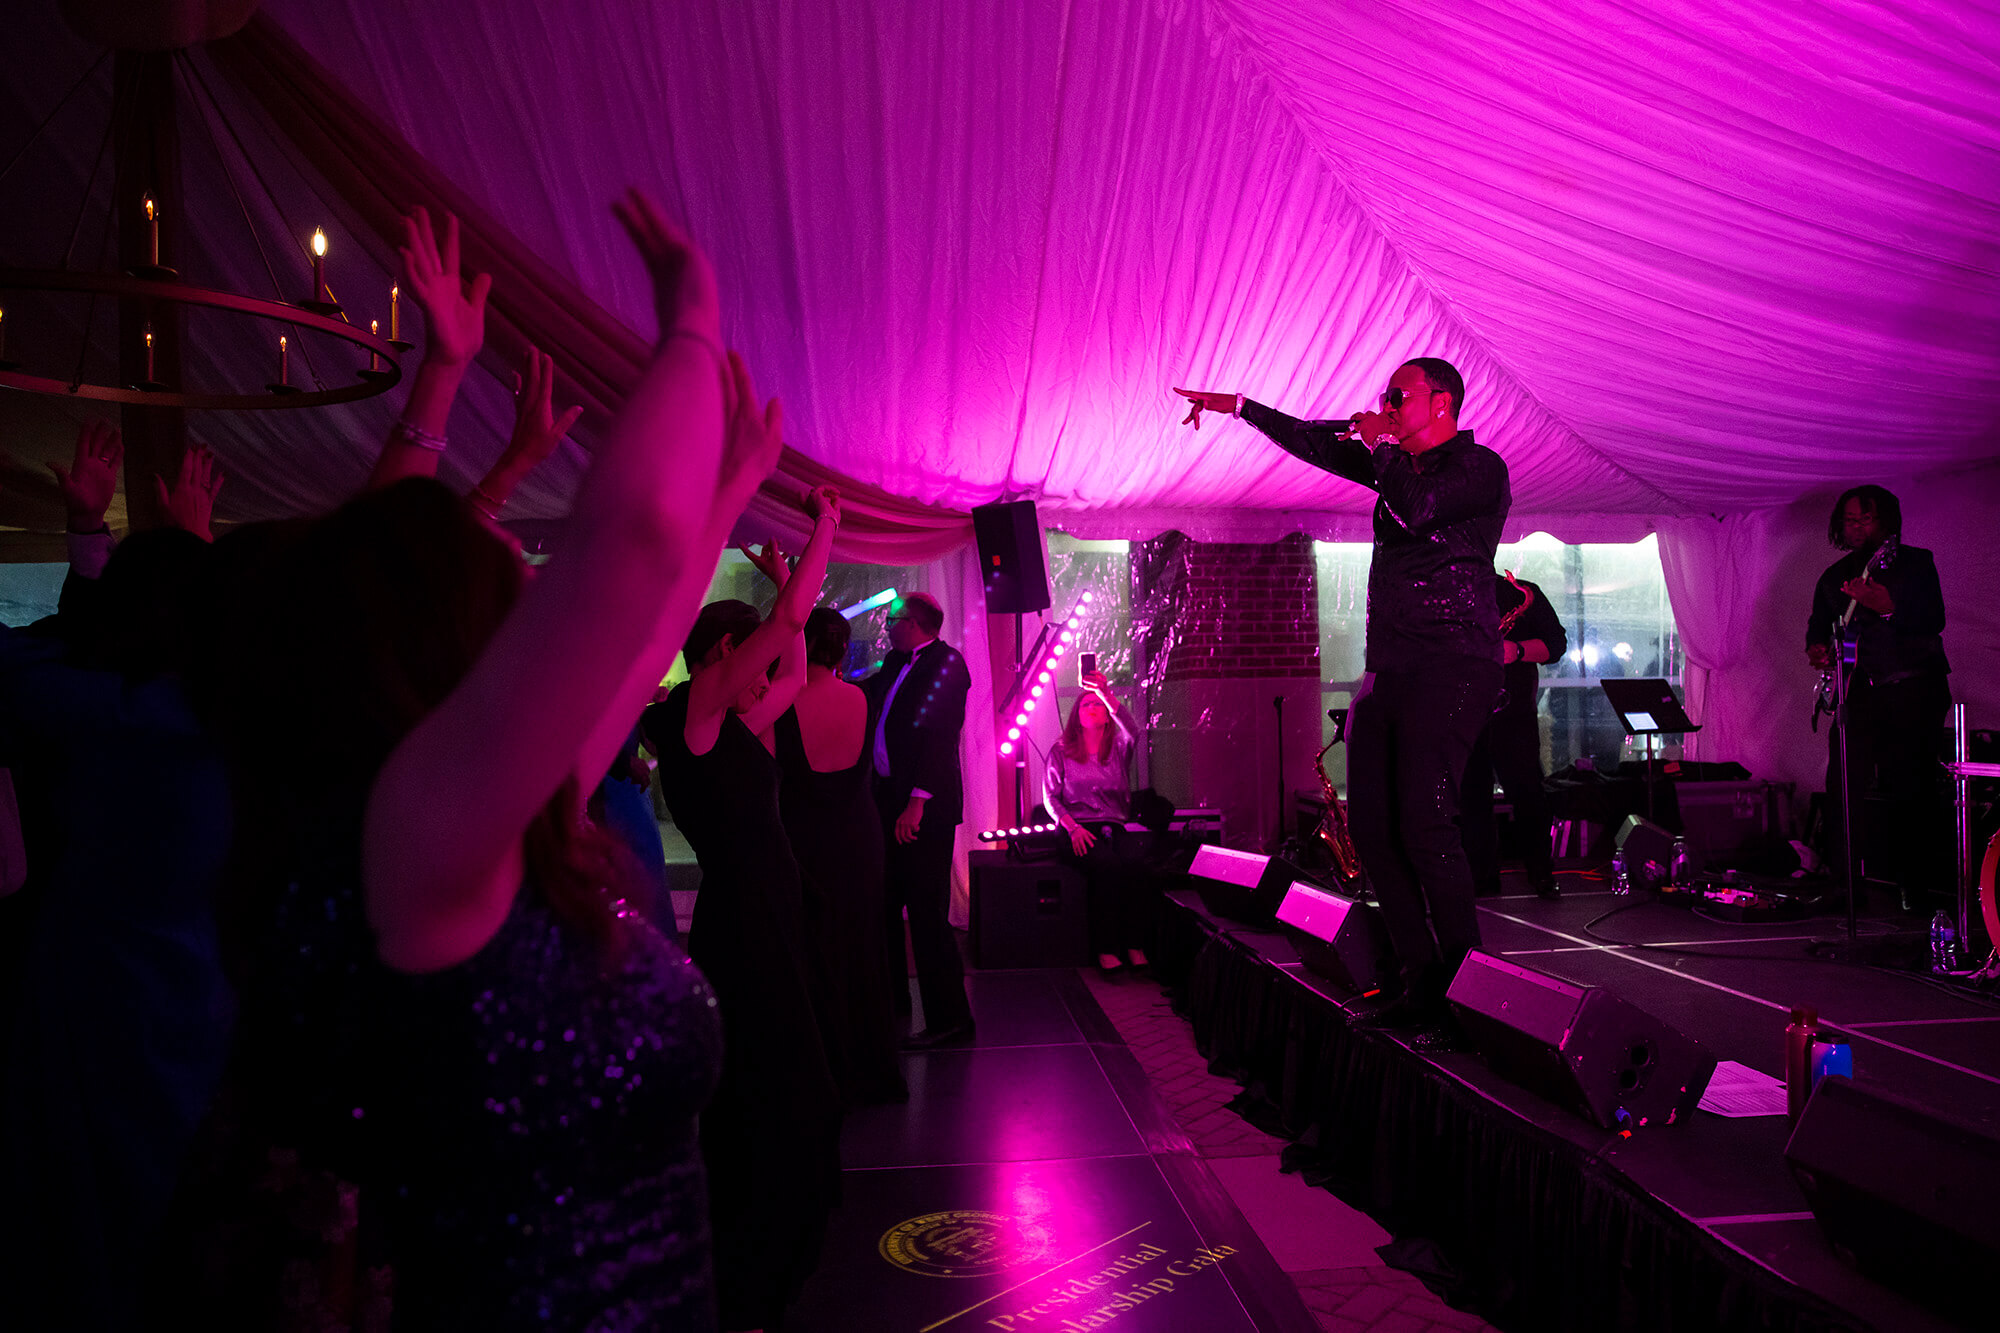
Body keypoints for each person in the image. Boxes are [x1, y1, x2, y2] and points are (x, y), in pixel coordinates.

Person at [191, 190, 766, 1330]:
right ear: (439, 637)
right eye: (499, 561)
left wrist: (733, 487)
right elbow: (629, 547)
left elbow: (646, 625)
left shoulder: (481, 830)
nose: (523, 574)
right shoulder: (411, 838)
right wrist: (691, 326)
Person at [1176, 359, 1510, 1031]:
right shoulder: (1398, 471)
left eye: (1397, 395)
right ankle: (1419, 980)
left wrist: (1381, 444)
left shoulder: (1477, 470)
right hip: (1394, 667)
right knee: (1372, 828)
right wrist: (1242, 404)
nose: (1383, 403)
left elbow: (1419, 513)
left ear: (1441, 402)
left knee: (1426, 822)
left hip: (1454, 664)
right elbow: (1315, 442)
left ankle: (1467, 993)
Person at [645, 489, 845, 1333]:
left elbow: (794, 663)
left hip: (771, 913)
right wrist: (823, 525)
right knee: (772, 1093)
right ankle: (744, 1274)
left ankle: (760, 1261)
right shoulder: (687, 718)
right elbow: (787, 628)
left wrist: (785, 586)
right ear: (723, 651)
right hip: (742, 924)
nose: (766, 679)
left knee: (787, 1088)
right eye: (749, 660)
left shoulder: (729, 721)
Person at [776, 606, 908, 1105]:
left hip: (806, 835)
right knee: (863, 946)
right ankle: (871, 1062)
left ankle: (821, 1067)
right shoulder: (859, 697)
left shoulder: (784, 701)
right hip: (859, 835)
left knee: (813, 946)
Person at [1806, 484, 1951, 912]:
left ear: (1885, 521)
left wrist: (1888, 607)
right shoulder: (1835, 577)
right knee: (1842, 787)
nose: (1856, 527)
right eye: (1850, 520)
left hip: (1912, 691)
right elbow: (1819, 626)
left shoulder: (1916, 564)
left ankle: (1916, 890)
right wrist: (1817, 647)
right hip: (1857, 695)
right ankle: (1845, 886)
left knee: (1911, 789)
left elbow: (1934, 620)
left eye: (1865, 519)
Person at [864, 591, 975, 1048]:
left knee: (927, 913)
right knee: (885, 904)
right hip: (888, 799)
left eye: (894, 619)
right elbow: (868, 697)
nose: (888, 626)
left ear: (916, 623)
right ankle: (893, 1002)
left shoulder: (947, 664)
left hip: (922, 807)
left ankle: (950, 1019)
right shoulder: (896, 663)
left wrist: (916, 802)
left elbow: (938, 738)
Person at [1459, 574, 1567, 900]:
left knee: (1528, 795)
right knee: (1470, 800)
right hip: (1465, 713)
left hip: (1513, 713)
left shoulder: (1520, 592)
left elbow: (1556, 645)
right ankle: (1482, 879)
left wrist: (1516, 650)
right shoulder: (1447, 592)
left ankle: (1541, 874)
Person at [1044, 670, 1149, 971]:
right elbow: (1051, 798)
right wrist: (1073, 827)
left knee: (1137, 867)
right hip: (1074, 827)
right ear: (1076, 714)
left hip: (1112, 825)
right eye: (1086, 704)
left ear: (1107, 715)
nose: (1092, 707)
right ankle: (1106, 949)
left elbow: (1133, 729)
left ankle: (1134, 943)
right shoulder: (1061, 751)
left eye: (1098, 704)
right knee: (1107, 866)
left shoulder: (1119, 748)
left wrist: (1105, 692)